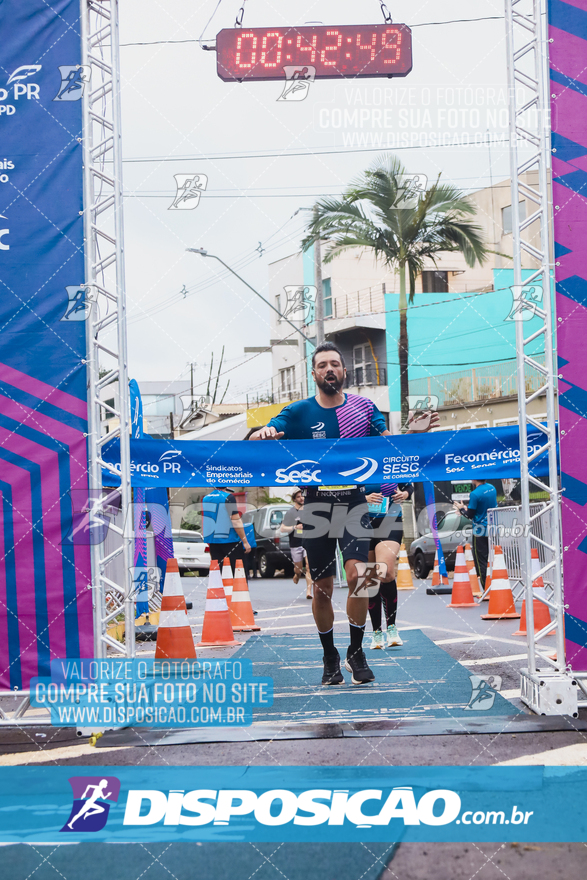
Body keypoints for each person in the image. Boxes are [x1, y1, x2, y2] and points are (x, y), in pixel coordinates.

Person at [249, 341, 438, 687]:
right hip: (318, 506)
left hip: (354, 502)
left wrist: (414, 434)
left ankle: (355, 650)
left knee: (361, 576)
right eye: (322, 365)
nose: (330, 370)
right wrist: (262, 433)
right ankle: (329, 656)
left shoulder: (364, 408)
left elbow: (389, 448)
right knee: (321, 589)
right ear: (314, 373)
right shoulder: (298, 412)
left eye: (335, 364)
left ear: (345, 371)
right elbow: (256, 438)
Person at [365, 482, 413, 649]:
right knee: (370, 577)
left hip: (391, 518)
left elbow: (408, 485)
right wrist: (364, 498)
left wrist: (405, 494)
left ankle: (391, 627)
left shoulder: (391, 460)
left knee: (385, 571)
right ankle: (376, 631)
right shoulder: (354, 460)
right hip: (362, 522)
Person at [453, 479, 497, 587]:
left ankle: (486, 588)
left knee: (481, 561)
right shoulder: (492, 488)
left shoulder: (474, 494)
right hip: (493, 527)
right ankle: (497, 586)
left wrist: (461, 509)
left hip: (480, 531)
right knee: (494, 559)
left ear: (473, 479)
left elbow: (470, 515)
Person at [201, 486, 251, 577]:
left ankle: (221, 591)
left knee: (219, 573)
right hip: (230, 540)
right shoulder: (228, 497)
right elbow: (235, 520)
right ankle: (239, 591)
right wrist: (245, 541)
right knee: (237, 572)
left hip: (213, 541)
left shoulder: (206, 498)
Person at [280, 487, 313, 599]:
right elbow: (282, 529)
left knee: (309, 567)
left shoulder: (309, 510)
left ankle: (309, 591)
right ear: (294, 499)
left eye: (302, 496)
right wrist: (295, 527)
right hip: (296, 543)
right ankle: (297, 575)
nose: (301, 498)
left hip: (308, 542)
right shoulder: (291, 513)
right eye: (298, 497)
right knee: (298, 569)